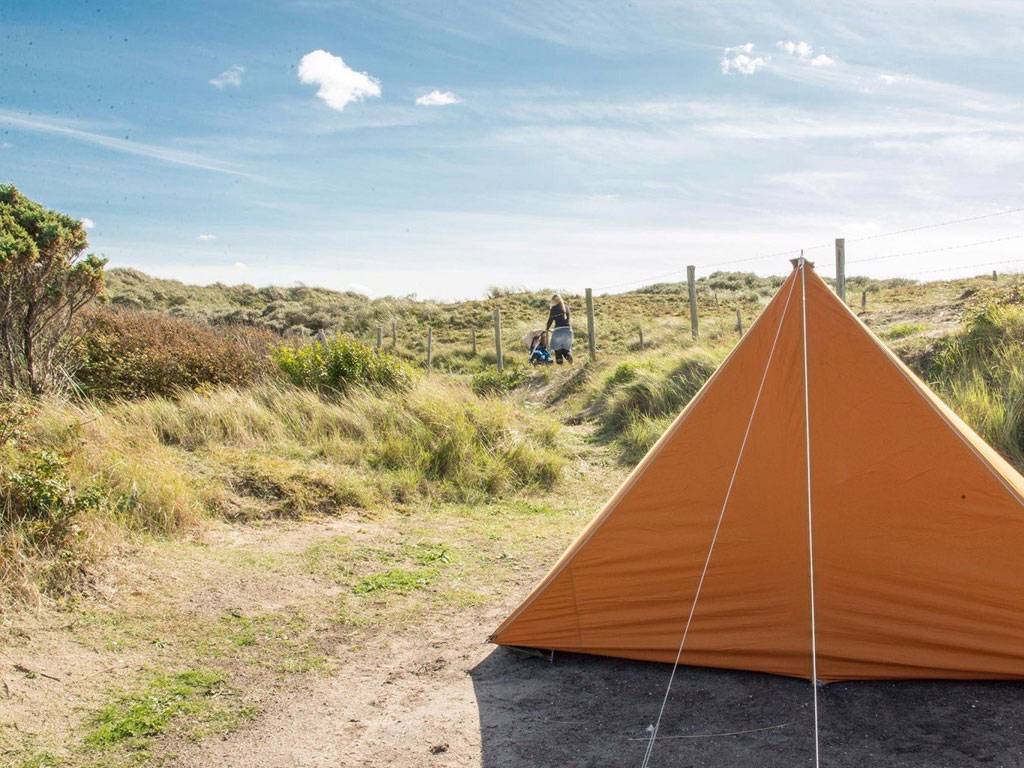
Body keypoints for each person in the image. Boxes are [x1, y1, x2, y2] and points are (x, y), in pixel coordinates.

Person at [545, 294, 574, 364]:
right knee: (566, 350)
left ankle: (560, 367)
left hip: (558, 331)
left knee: (557, 350)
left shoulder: (553, 309)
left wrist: (546, 329)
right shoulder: (566, 307)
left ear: (554, 301)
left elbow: (550, 320)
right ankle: (570, 359)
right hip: (568, 330)